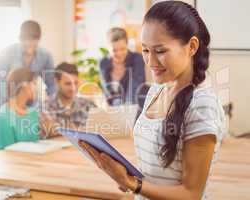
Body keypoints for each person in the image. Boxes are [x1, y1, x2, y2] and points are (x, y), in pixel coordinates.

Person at [79, 1, 226, 199]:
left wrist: (133, 183)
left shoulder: (202, 105)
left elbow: (191, 194)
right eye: (145, 50)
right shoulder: (155, 91)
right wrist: (126, 175)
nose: (150, 62)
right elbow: (155, 170)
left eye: (160, 51)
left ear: (191, 46)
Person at [0, 20, 56, 121]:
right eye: (25, 40)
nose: (28, 44)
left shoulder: (45, 56)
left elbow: (51, 85)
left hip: (29, 106)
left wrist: (51, 106)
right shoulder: (7, 53)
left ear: (38, 39)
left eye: (33, 40)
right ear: (20, 38)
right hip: (4, 103)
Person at [41, 62, 96, 138]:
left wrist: (64, 129)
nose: (73, 88)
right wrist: (78, 130)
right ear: (56, 81)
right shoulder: (46, 107)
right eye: (68, 84)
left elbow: (99, 128)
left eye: (75, 83)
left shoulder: (89, 105)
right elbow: (50, 130)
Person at [0, 68, 40, 151]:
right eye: (35, 84)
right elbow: (9, 151)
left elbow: (36, 144)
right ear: (24, 86)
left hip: (31, 160)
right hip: (8, 162)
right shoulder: (3, 117)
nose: (37, 89)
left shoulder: (33, 113)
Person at [99, 27, 145, 106]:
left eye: (123, 49)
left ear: (127, 45)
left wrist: (125, 111)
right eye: (114, 50)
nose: (119, 54)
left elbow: (135, 89)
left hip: (135, 108)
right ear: (108, 48)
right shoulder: (103, 63)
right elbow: (107, 93)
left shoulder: (137, 59)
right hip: (114, 111)